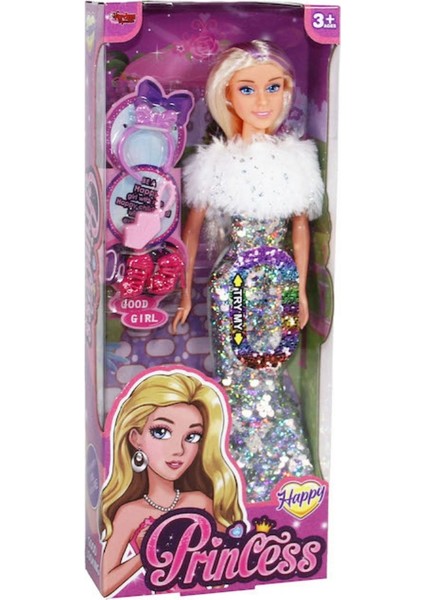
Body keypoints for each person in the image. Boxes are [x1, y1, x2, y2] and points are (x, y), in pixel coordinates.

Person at [172, 41, 325, 502]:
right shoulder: (214, 162)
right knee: (236, 378)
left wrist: (301, 292)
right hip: (234, 283)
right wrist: (184, 293)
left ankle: (286, 468)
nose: (262, 101)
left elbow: (300, 230)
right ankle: (235, 472)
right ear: (227, 95)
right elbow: (191, 233)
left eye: (273, 88)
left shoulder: (296, 158)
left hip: (278, 281)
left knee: (272, 371)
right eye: (248, 89)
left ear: (287, 91)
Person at [100, 369, 244, 596]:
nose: (178, 450)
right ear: (136, 438)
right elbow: (106, 584)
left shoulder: (199, 502)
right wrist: (146, 553)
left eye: (192, 436)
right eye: (161, 432)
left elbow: (233, 555)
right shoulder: (130, 513)